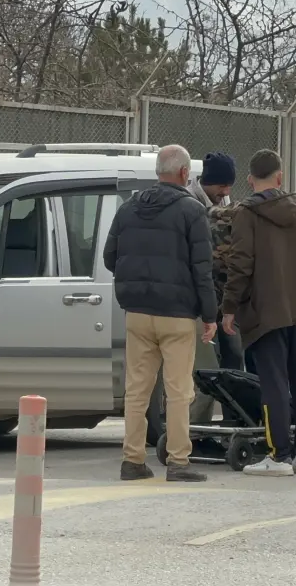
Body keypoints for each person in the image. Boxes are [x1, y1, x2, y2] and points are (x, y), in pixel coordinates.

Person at [103, 144, 216, 483]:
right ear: (184, 174)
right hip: (178, 314)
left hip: (137, 311)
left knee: (137, 389)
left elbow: (110, 256)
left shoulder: (129, 208)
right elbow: (203, 269)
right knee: (179, 390)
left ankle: (132, 460)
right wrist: (209, 314)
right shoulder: (192, 211)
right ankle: (179, 461)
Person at [221, 149, 296, 477]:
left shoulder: (247, 213)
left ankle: (279, 455)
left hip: (268, 311)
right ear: (281, 177)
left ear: (249, 180)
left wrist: (230, 307)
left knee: (274, 382)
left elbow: (240, 263)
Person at [187, 152, 244, 373]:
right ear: (207, 182)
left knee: (234, 362)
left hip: (224, 302)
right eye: (222, 185)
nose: (226, 192)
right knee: (206, 370)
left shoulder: (224, 202)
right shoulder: (188, 203)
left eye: (229, 186)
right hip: (199, 303)